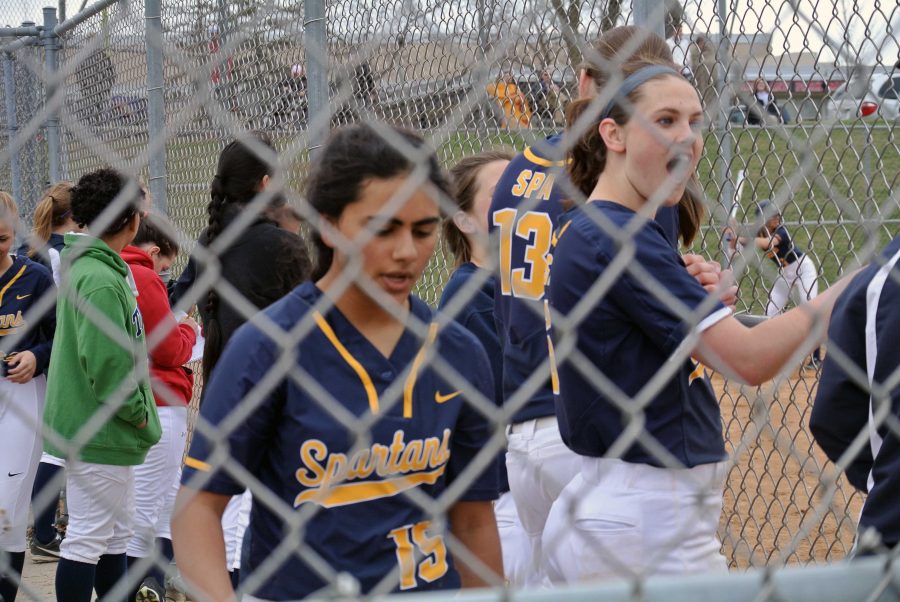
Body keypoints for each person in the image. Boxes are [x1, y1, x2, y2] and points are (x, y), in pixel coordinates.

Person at [542, 41, 857, 584]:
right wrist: (862, 283)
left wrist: (693, 295)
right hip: (648, 519)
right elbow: (749, 359)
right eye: (664, 119)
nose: (687, 136)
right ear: (612, 134)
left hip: (618, 506)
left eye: (693, 120)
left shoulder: (609, 226)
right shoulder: (620, 236)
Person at [173, 123, 503, 601]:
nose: (407, 251)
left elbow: (473, 522)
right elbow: (197, 509)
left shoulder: (458, 351)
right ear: (328, 224)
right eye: (382, 227)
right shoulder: (269, 348)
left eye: (423, 229)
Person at [486, 25, 726, 585]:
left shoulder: (515, 174)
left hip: (522, 423)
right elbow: (650, 306)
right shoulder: (621, 180)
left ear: (584, 80)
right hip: (597, 429)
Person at [41, 168, 161, 602]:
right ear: (130, 221)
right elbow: (109, 367)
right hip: (100, 428)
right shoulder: (99, 277)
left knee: (113, 536)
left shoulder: (96, 268)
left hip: (104, 428)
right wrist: (139, 411)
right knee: (90, 538)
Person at [438, 151, 530, 585]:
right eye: (503, 194)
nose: (521, 201)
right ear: (464, 220)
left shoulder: (527, 285)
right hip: (502, 497)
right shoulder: (471, 296)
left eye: (527, 189)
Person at [120, 215, 199, 602]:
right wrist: (188, 330)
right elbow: (167, 348)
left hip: (148, 399)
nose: (165, 275)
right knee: (149, 502)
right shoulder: (142, 275)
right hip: (158, 400)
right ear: (153, 252)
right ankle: (134, 587)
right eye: (165, 265)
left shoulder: (116, 268)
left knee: (167, 497)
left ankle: (153, 581)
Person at [810, 235, 900, 553]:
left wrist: (879, 475)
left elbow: (831, 417)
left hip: (890, 526)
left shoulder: (883, 275)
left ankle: (811, 356)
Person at [17, 182, 82, 563]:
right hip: (55, 359)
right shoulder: (59, 256)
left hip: (39, 360)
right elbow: (63, 317)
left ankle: (51, 526)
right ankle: (43, 530)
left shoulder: (37, 251)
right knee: (55, 448)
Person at [0, 191, 56, 602]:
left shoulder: (34, 277)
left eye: (3, 239)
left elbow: (60, 339)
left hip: (21, 399)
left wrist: (36, 357)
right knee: (11, 518)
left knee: (7, 507)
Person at [742, 200, 821, 369]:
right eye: (772, 215)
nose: (777, 217)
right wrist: (733, 236)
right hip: (785, 273)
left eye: (777, 213)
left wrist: (744, 237)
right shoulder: (758, 232)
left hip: (803, 268)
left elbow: (769, 244)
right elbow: (737, 244)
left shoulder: (781, 231)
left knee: (809, 309)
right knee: (770, 312)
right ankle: (767, 352)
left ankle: (816, 357)